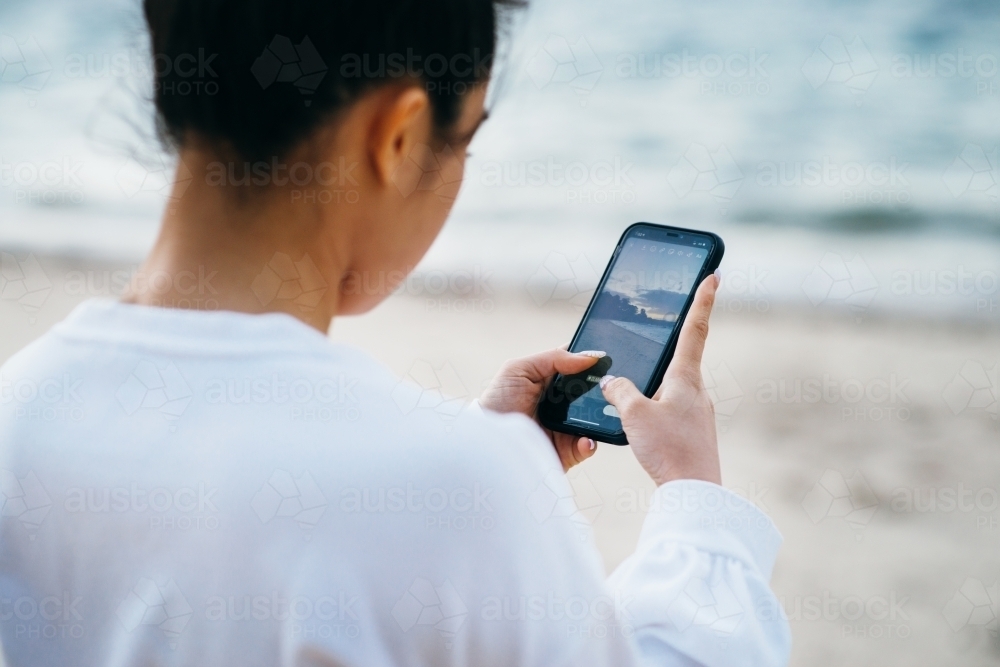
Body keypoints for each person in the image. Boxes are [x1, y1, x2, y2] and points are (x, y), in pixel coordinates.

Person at [0, 0, 791, 664]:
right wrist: (694, 501)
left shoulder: (19, 406)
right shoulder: (465, 493)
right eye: (467, 137)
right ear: (399, 136)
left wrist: (468, 459)